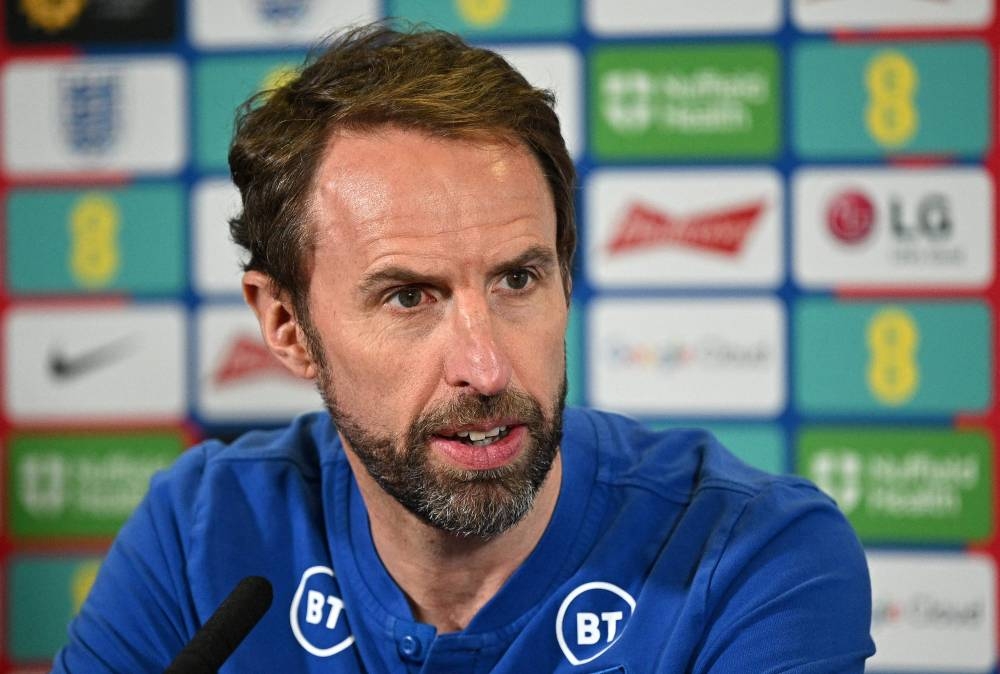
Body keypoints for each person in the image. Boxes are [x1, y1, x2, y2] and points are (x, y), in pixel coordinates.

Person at [53, 23, 874, 673]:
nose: (485, 367)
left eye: (518, 280)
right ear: (286, 326)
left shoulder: (753, 556)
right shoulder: (201, 536)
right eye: (409, 297)